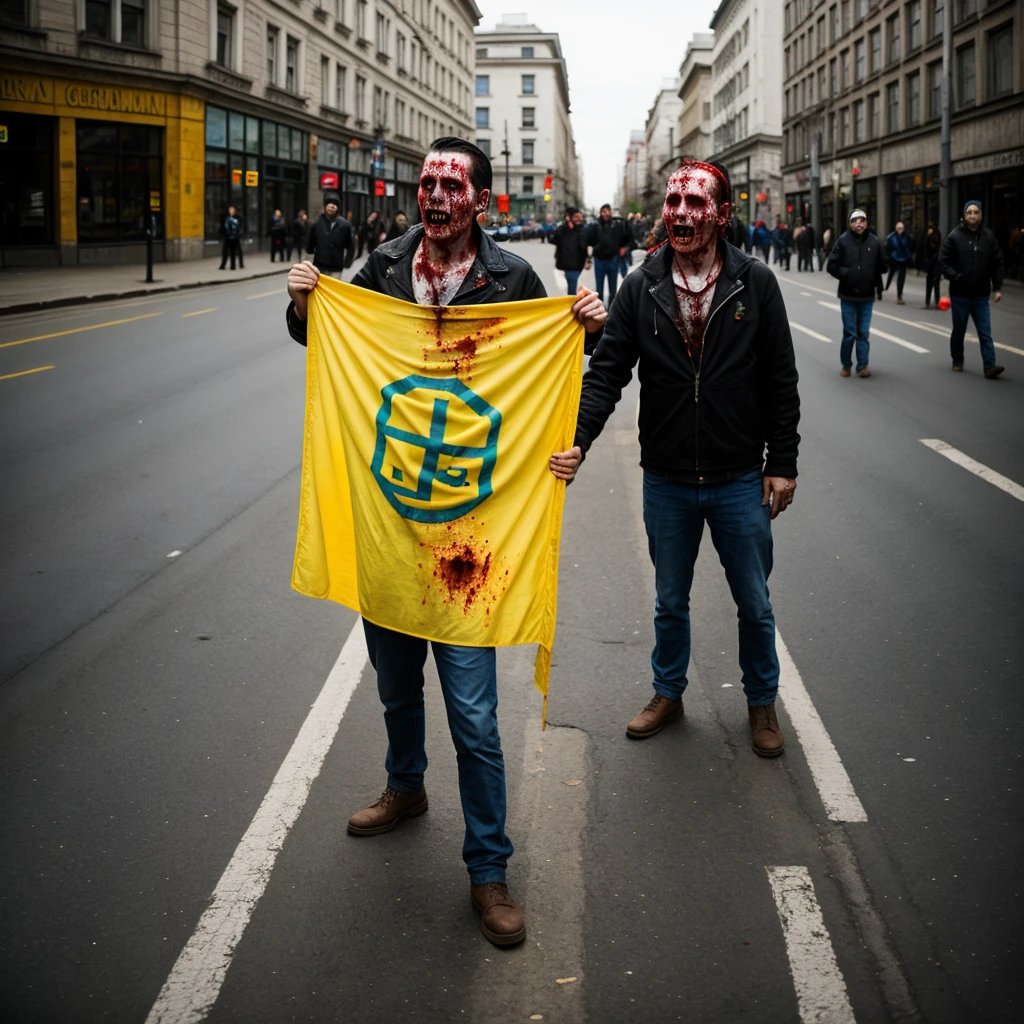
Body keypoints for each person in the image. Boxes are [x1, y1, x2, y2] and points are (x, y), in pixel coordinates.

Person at [285, 137, 607, 947]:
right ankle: (405, 788)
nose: (432, 196)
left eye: (449, 185)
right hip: (394, 526)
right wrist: (302, 305)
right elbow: (331, 339)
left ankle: (489, 870)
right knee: (396, 688)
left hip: (475, 541)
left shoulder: (515, 280)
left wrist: (588, 328)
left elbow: (555, 362)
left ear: (481, 201)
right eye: (425, 183)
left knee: (472, 715)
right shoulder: (384, 265)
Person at [547, 159, 799, 758]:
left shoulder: (754, 283)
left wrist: (781, 461)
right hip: (666, 478)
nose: (682, 214)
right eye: (674, 202)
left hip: (740, 476)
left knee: (755, 604)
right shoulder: (642, 285)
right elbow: (607, 374)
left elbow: (781, 379)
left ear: (722, 215)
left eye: (697, 203)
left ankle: (761, 703)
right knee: (668, 601)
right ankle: (668, 692)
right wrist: (579, 440)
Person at [939, 200, 1005, 378]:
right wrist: (956, 277)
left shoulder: (988, 237)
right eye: (969, 213)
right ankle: (957, 359)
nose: (973, 215)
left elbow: (997, 263)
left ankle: (989, 366)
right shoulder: (954, 236)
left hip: (981, 295)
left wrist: (997, 288)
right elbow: (943, 262)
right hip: (960, 294)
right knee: (959, 330)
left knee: (985, 332)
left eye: (976, 212)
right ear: (964, 216)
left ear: (981, 215)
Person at [827, 208, 887, 378]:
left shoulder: (874, 242)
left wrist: (875, 274)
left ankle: (862, 366)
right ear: (850, 224)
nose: (859, 223)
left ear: (867, 223)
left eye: (862, 220)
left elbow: (883, 266)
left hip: (867, 296)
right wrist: (847, 274)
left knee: (863, 333)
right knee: (849, 333)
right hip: (848, 295)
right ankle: (846, 365)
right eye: (855, 220)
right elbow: (831, 266)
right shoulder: (843, 241)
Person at [585, 203, 631, 306]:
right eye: (603, 212)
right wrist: (594, 249)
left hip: (612, 259)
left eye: (607, 211)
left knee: (613, 288)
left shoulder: (617, 225)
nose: (606, 214)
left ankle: (611, 309)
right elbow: (589, 240)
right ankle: (599, 308)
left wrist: (623, 248)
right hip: (599, 260)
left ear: (611, 212)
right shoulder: (595, 226)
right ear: (601, 213)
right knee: (599, 289)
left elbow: (626, 237)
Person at [305, 191, 355, 279]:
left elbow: (351, 245)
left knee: (332, 289)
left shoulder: (345, 225)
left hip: (336, 266)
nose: (332, 207)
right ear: (325, 206)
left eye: (335, 204)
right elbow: (310, 242)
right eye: (330, 204)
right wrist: (309, 253)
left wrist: (348, 261)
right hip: (319, 265)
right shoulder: (317, 223)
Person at [553, 207, 589, 296]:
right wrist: (565, 225)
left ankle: (571, 305)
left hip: (577, 263)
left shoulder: (583, 229)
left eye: (580, 217)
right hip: (567, 263)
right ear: (570, 218)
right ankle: (572, 306)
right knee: (571, 288)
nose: (579, 219)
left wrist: (588, 259)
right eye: (576, 217)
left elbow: (586, 245)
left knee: (572, 287)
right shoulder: (563, 230)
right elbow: (554, 239)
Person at [884, 220, 913, 304]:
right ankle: (887, 286)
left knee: (901, 278)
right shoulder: (891, 237)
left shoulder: (907, 237)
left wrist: (908, 255)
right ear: (896, 228)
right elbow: (888, 248)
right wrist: (890, 256)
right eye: (899, 228)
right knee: (891, 272)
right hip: (894, 258)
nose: (900, 229)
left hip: (903, 259)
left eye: (902, 228)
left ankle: (899, 295)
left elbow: (910, 247)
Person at [219, 206, 244, 270]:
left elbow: (240, 226)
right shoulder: (226, 218)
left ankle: (237, 265)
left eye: (232, 210)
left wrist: (239, 234)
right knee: (225, 251)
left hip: (235, 237)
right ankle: (223, 265)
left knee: (237, 251)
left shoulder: (238, 218)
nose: (231, 211)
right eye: (230, 210)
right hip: (227, 237)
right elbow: (223, 226)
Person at [924, 225, 942, 309]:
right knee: (932, 285)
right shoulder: (929, 242)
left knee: (934, 285)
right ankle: (930, 302)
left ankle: (934, 302)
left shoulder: (935, 242)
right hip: (932, 267)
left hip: (935, 266)